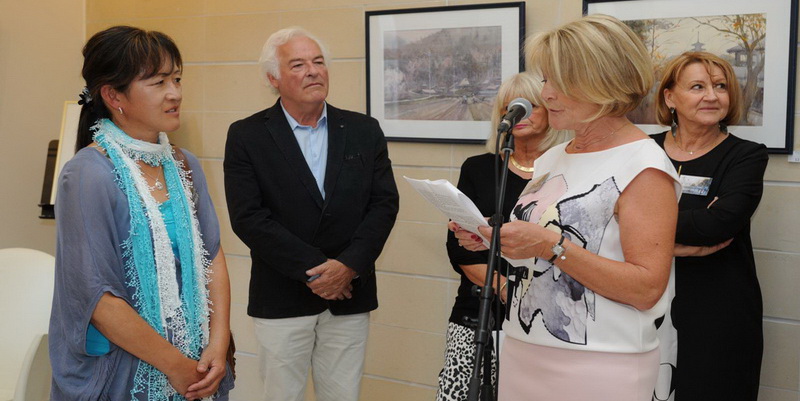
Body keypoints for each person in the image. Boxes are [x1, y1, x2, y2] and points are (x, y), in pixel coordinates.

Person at [453, 15, 681, 400]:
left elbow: (646, 288)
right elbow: (538, 252)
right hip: (524, 347)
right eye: (545, 80)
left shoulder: (644, 166)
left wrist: (549, 246)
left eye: (560, 81)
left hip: (602, 362)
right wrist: (493, 239)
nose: (547, 94)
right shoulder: (552, 158)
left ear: (604, 83)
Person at [49, 26, 234, 400]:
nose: (175, 93)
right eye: (158, 82)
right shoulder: (87, 174)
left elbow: (211, 256)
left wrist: (218, 343)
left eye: (177, 79)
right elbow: (98, 300)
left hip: (196, 363)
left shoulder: (184, 164)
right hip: (121, 373)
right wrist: (176, 366)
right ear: (113, 95)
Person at [223, 26, 399, 401]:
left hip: (350, 294)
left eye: (319, 62)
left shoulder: (363, 130)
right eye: (299, 64)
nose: (313, 71)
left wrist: (347, 267)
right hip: (283, 294)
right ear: (273, 78)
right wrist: (319, 272)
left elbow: (383, 204)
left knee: (343, 395)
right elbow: (248, 217)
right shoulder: (247, 136)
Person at [437, 73, 570, 401]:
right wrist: (504, 288)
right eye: (510, 107)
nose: (518, 114)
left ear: (551, 110)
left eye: (530, 105)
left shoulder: (568, 168)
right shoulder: (478, 168)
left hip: (546, 319)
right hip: (478, 315)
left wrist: (526, 298)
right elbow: (461, 250)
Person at [652, 51, 767, 400]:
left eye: (720, 86)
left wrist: (644, 229)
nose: (712, 96)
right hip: (644, 304)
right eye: (698, 87)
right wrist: (673, 241)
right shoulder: (644, 151)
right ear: (670, 97)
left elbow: (718, 224)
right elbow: (608, 219)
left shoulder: (746, 155)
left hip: (718, 310)